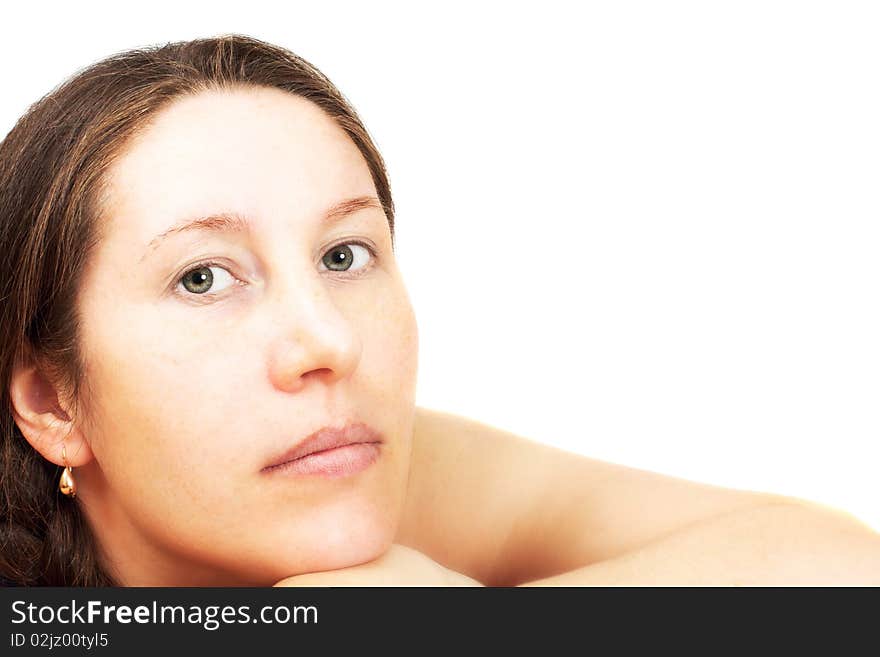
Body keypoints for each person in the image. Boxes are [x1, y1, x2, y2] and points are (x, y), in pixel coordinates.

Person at [1, 34, 877, 587]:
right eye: (203, 278)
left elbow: (840, 572)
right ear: (51, 402)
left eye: (345, 255)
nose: (327, 341)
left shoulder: (336, 449)